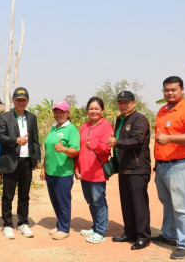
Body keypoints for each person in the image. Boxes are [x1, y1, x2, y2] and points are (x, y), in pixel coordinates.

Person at [152, 76, 185, 260]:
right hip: (163, 165)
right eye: (166, 90)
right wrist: (157, 163)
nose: (170, 93)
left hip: (181, 165)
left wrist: (170, 139)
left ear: (182, 90)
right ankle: (170, 235)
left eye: (173, 89)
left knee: (182, 206)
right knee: (168, 203)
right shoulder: (162, 110)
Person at [108, 91, 151, 250]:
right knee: (126, 203)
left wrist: (117, 142)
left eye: (126, 102)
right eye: (120, 102)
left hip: (137, 168)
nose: (123, 105)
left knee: (139, 204)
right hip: (124, 168)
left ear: (134, 103)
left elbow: (137, 140)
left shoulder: (139, 119)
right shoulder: (120, 119)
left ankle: (143, 237)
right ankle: (130, 233)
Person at [0, 87, 41, 239]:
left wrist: (36, 160)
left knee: (24, 195)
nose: (21, 103)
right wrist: (16, 140)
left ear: (27, 101)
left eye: (23, 100)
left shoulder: (32, 117)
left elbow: (35, 140)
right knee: (7, 196)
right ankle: (7, 225)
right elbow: (0, 137)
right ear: (13, 100)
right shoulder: (5, 117)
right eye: (18, 100)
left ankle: (22, 223)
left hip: (26, 162)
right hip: (10, 161)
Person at [75, 97, 113, 243]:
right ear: (87, 110)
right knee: (90, 201)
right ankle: (95, 226)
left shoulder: (106, 126)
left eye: (97, 108)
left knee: (99, 201)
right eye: (91, 108)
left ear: (102, 110)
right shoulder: (84, 127)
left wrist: (95, 145)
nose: (94, 111)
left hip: (97, 172)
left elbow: (107, 147)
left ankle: (101, 232)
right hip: (84, 171)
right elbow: (79, 149)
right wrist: (77, 167)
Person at [40, 101, 79, 240]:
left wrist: (65, 149)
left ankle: (64, 228)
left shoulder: (71, 130)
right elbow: (48, 150)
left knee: (63, 201)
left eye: (62, 112)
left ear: (67, 113)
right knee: (55, 200)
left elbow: (75, 151)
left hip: (63, 172)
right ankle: (60, 224)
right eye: (56, 112)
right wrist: (44, 168)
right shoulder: (53, 128)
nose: (58, 114)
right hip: (51, 171)